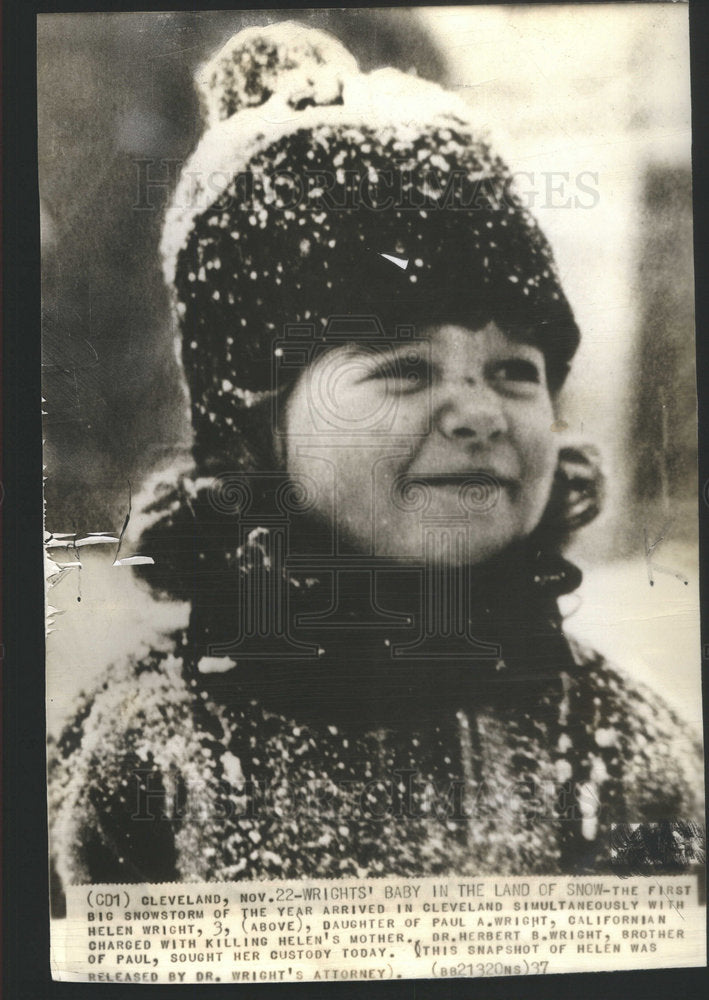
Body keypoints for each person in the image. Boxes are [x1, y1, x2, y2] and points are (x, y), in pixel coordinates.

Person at [49, 22, 702, 891]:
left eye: (515, 370)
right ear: (256, 428)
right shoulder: (147, 743)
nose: (478, 412)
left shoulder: (614, 742)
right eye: (403, 369)